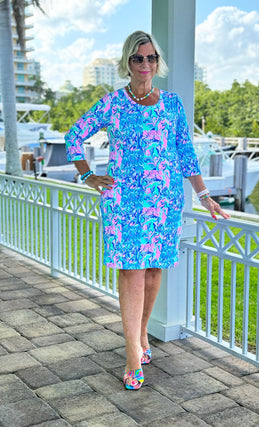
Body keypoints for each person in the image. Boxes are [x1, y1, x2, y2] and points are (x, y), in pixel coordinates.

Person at [65, 30, 230, 391]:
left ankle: (141, 336)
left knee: (154, 273)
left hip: (165, 201)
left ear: (158, 62)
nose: (145, 64)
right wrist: (89, 175)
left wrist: (204, 196)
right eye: (139, 58)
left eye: (151, 57)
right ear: (128, 62)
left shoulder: (172, 104)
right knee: (132, 276)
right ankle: (130, 356)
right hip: (125, 204)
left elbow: (186, 154)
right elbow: (73, 135)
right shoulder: (112, 103)